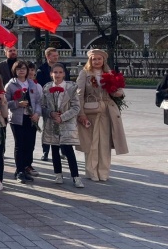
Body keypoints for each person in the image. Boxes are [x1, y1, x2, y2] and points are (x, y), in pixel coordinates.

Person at [76, 49, 128, 182]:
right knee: (91, 142)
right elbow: (79, 94)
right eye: (94, 59)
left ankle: (103, 172)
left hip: (107, 110)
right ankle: (92, 171)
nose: (97, 61)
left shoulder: (109, 73)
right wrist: (81, 113)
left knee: (105, 142)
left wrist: (119, 92)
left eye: (99, 59)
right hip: (90, 110)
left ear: (103, 60)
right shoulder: (84, 73)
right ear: (90, 60)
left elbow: (117, 92)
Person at [41, 63, 84, 188]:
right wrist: (51, 113)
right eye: (55, 72)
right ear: (51, 74)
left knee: (68, 149)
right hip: (52, 122)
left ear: (64, 74)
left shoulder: (71, 88)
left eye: (60, 72)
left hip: (67, 123)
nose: (58, 75)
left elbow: (76, 107)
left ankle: (76, 176)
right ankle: (58, 174)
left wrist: (62, 117)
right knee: (54, 149)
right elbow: (43, 106)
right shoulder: (47, 88)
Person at [5, 60, 42, 183]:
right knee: (19, 145)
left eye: (24, 68)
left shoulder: (32, 84)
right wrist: (17, 104)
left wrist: (37, 113)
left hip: (31, 118)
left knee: (30, 144)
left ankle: (26, 167)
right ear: (14, 71)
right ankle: (19, 170)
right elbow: (5, 102)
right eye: (18, 68)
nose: (21, 71)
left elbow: (38, 101)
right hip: (17, 119)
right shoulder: (11, 85)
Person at [36, 47, 70, 161]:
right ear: (47, 56)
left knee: (61, 126)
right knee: (47, 128)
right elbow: (41, 87)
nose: (56, 57)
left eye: (57, 55)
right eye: (53, 55)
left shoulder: (62, 68)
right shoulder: (41, 70)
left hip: (62, 100)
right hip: (48, 102)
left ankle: (63, 151)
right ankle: (45, 152)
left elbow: (68, 82)